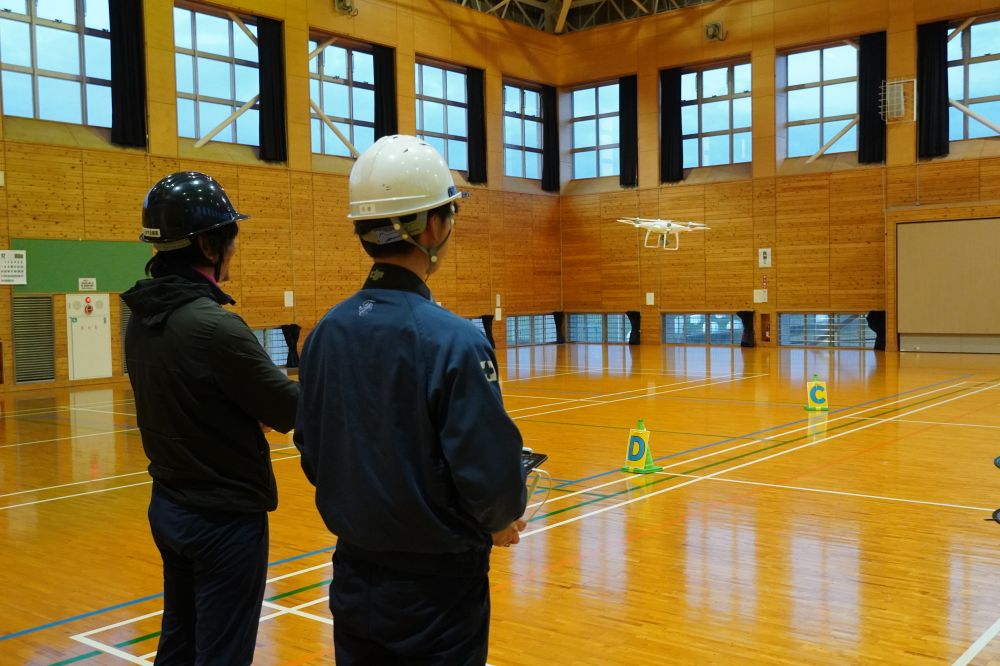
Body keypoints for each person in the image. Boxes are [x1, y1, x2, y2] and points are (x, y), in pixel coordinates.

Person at [294, 135, 527, 665]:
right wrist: (501, 517)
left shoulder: (326, 332)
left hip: (354, 578)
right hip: (437, 591)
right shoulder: (453, 340)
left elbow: (313, 450)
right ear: (434, 227)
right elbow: (486, 467)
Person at [121, 171, 299, 665]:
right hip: (223, 520)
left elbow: (195, 400)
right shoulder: (216, 327)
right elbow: (290, 409)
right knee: (223, 652)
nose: (235, 247)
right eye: (230, 235)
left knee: (178, 642)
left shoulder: (141, 319)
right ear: (206, 243)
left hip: (169, 505)